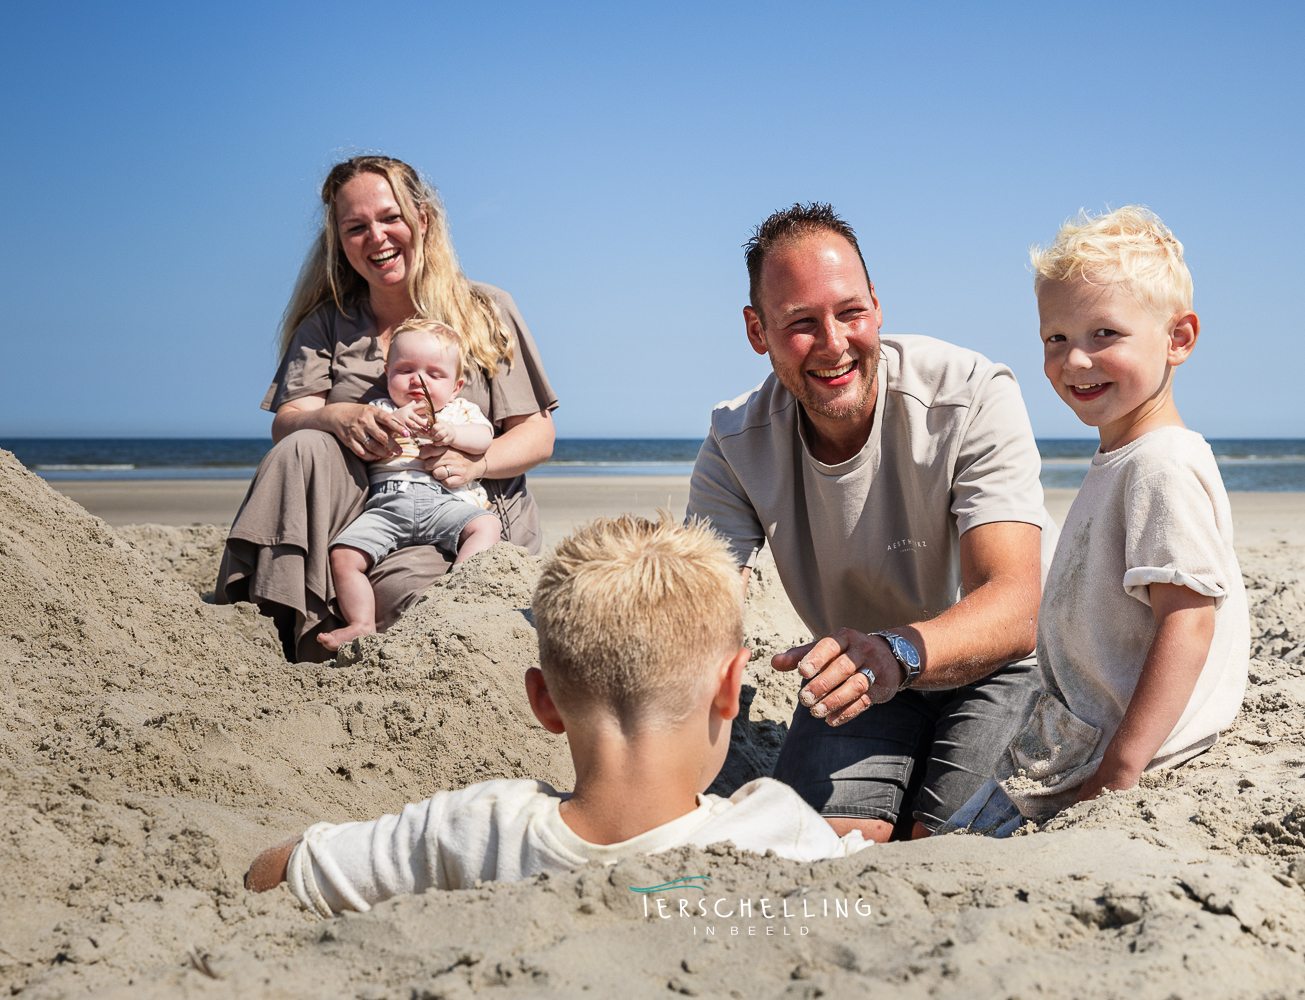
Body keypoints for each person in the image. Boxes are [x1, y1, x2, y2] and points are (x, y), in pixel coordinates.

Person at [244, 513, 871, 915]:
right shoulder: (775, 830)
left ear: (544, 700)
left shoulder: (473, 827)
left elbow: (279, 870)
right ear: (731, 685)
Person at [685, 203, 1057, 844]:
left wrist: (898, 654)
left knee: (945, 841)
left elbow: (1018, 605)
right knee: (827, 847)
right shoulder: (735, 440)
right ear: (757, 331)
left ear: (877, 306)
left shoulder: (970, 393)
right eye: (800, 323)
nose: (834, 344)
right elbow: (698, 600)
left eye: (850, 312)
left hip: (999, 664)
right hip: (858, 669)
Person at [943, 207, 1250, 837]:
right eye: (1055, 338)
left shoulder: (1161, 464)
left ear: (1178, 339)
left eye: (1105, 334)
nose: (1075, 360)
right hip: (1078, 739)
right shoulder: (1124, 456)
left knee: (950, 851)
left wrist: (1121, 769)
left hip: (1109, 758)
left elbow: (1188, 621)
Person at [215, 155, 557, 661]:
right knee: (302, 445)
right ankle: (255, 635)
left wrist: (475, 463)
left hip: (461, 517)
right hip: (366, 515)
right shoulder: (326, 325)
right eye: (356, 227)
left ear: (423, 219)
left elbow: (537, 434)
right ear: (339, 240)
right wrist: (334, 416)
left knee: (415, 606)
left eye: (390, 218)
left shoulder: (486, 309)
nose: (376, 237)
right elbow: (288, 423)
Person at [318, 319, 506, 651]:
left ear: (456, 386)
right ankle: (361, 623)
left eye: (435, 374)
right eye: (406, 370)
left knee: (487, 525)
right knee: (344, 554)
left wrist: (452, 434)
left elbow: (484, 438)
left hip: (445, 501)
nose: (419, 381)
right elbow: (362, 438)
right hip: (389, 504)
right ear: (387, 372)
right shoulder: (380, 409)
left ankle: (457, 591)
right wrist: (393, 424)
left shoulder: (461, 411)